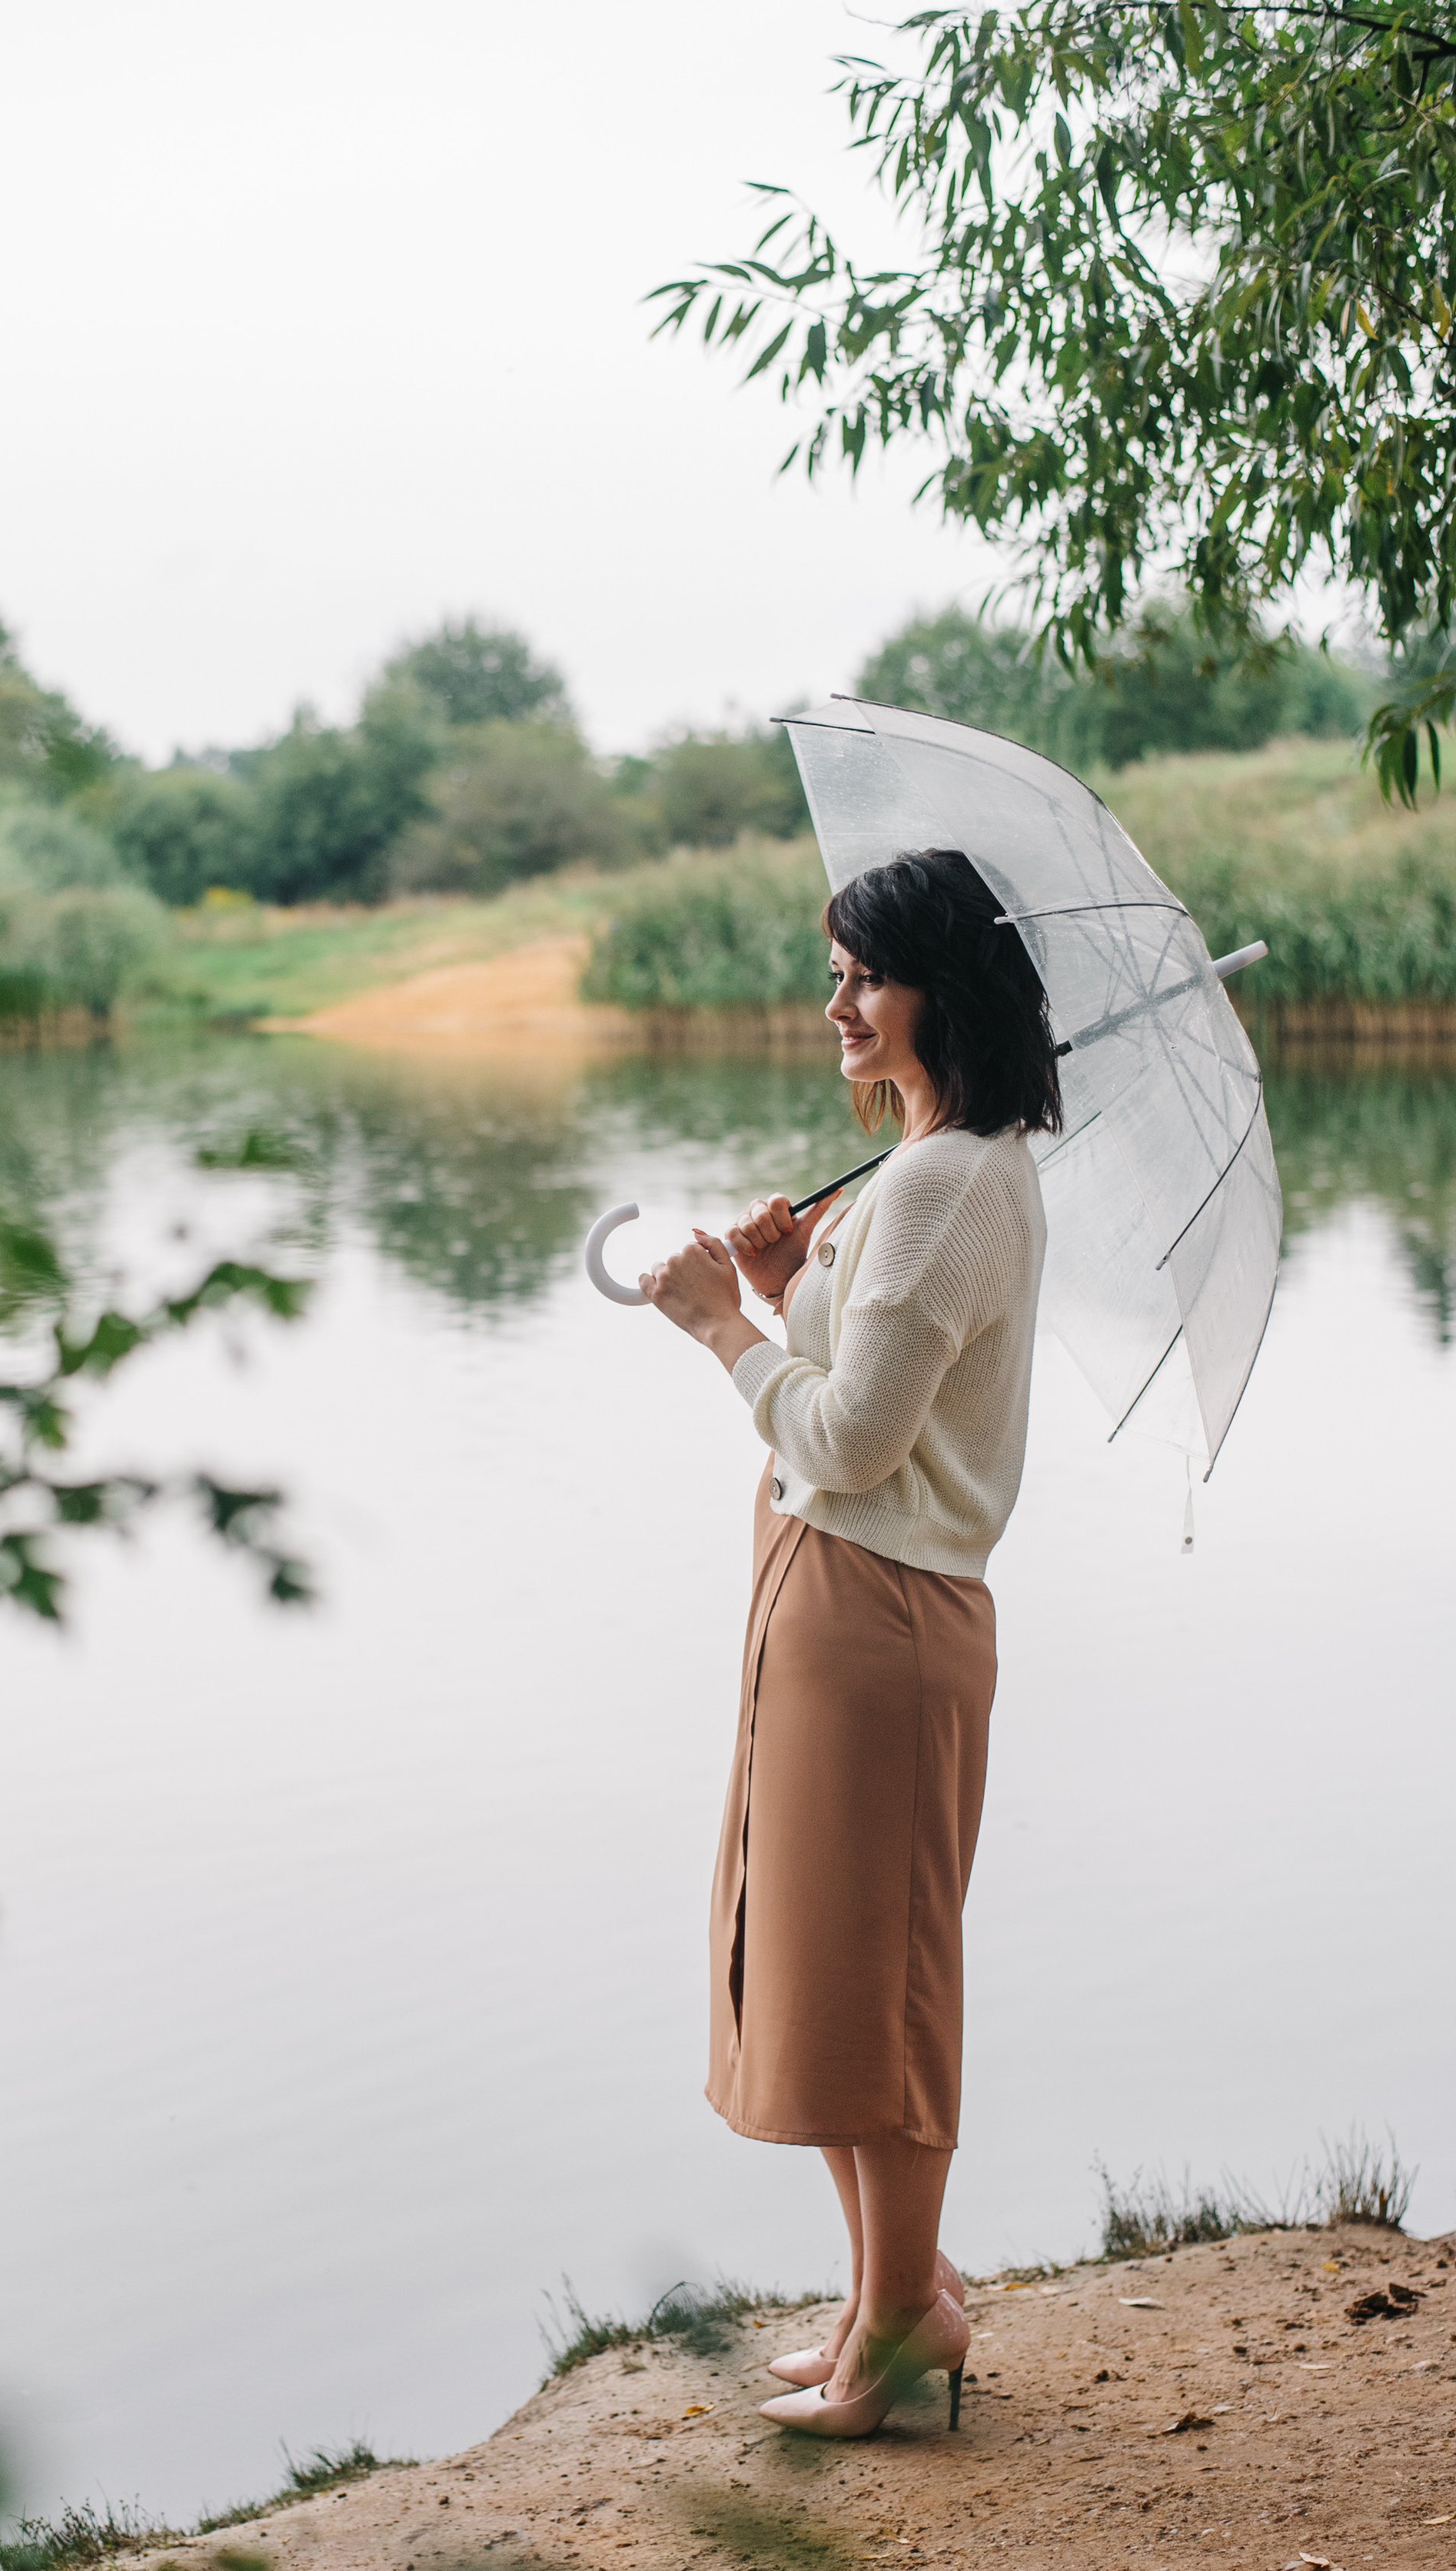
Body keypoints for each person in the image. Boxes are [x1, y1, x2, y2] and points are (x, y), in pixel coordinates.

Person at [636, 847, 1061, 2439]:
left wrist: (719, 1333)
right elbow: (861, 1391)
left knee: (883, 1974)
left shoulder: (947, 1184)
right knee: (821, 1961)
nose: (837, 1005)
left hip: (879, 1610)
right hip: (828, 1596)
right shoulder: (930, 1167)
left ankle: (896, 2326)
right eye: (835, 974)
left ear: (943, 988)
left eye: (866, 977)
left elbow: (855, 1440)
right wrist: (786, 1286)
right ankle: (896, 2290)